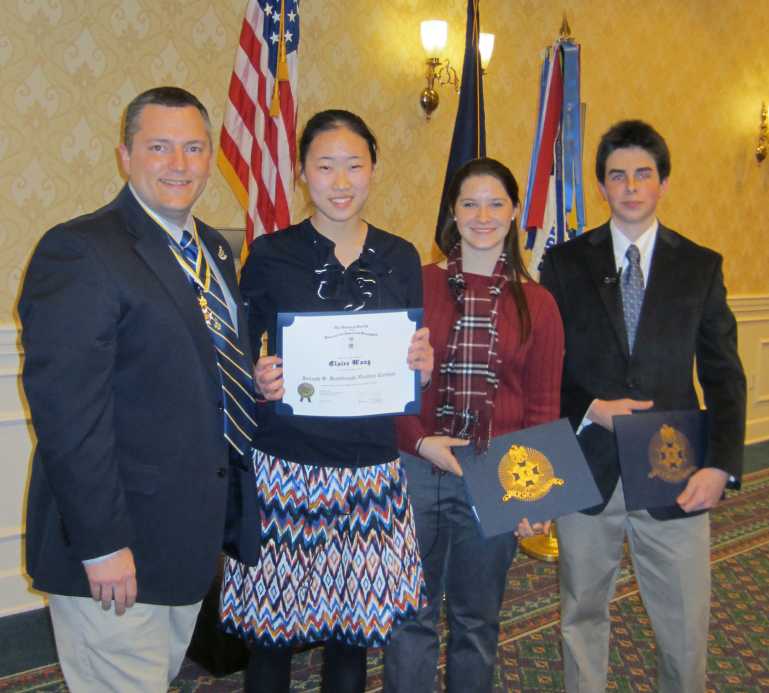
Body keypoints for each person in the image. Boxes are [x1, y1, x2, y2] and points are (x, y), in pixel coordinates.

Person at [18, 86, 256, 692]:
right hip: (116, 545)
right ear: (125, 155)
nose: (179, 164)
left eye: (193, 148)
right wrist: (101, 545)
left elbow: (196, 369)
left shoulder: (214, 250)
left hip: (186, 539)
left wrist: (257, 380)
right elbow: (70, 417)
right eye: (158, 147)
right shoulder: (81, 250)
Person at [219, 109, 433, 693]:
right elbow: (238, 352)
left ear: (374, 170)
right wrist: (258, 376)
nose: (341, 182)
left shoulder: (400, 256)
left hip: (368, 471)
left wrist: (422, 363)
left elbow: (409, 356)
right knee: (271, 636)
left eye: (354, 166)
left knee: (351, 638)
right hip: (286, 467)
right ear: (301, 172)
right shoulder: (270, 254)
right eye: (325, 166)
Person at [539, 120, 746, 693]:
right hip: (588, 465)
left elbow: (725, 376)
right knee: (581, 615)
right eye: (617, 175)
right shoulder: (564, 264)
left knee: (684, 626)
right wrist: (591, 407)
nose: (630, 186)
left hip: (676, 470)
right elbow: (545, 368)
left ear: (663, 183)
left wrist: (721, 465)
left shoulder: (700, 266)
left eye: (643, 174)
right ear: (601, 186)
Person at [383, 157, 565, 693]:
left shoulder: (539, 304)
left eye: (495, 204)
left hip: (497, 473)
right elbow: (386, 384)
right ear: (453, 213)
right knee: (409, 618)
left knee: (477, 621)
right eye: (469, 203)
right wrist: (419, 440)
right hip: (418, 467)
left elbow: (542, 405)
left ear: (514, 213)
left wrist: (538, 497)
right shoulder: (416, 284)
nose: (482, 216)